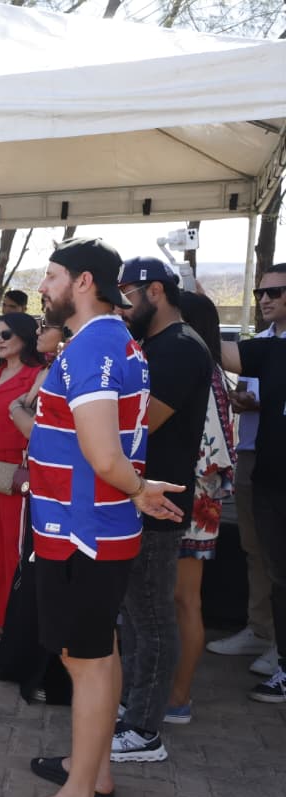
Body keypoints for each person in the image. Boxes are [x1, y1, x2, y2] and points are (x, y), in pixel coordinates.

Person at [0, 237, 183, 797]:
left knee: (88, 661)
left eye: (51, 276)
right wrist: (135, 489)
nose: (42, 287)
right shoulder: (109, 341)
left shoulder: (93, 346)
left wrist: (138, 489)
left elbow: (102, 454)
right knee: (99, 651)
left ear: (81, 282)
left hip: (80, 533)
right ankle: (93, 771)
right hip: (93, 529)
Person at [111, 256, 210, 764]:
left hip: (160, 501)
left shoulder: (180, 347)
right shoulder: (155, 344)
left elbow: (137, 426)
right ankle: (131, 706)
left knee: (150, 618)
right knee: (134, 616)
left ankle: (145, 730)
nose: (121, 307)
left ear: (154, 291)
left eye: (126, 296)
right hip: (138, 495)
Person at [0, 314, 74, 703]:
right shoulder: (51, 370)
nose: (39, 332)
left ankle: (49, 675)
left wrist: (18, 412)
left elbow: (40, 431)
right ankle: (24, 662)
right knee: (30, 575)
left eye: (46, 326)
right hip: (39, 484)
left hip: (59, 490)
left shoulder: (69, 370)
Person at [211, 267, 286, 674]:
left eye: (275, 292)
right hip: (253, 454)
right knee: (256, 549)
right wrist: (244, 400)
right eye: (260, 292)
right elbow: (245, 384)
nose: (265, 299)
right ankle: (261, 630)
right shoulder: (259, 343)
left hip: (277, 462)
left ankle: (279, 644)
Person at [166, 290, 235, 724]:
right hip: (194, 496)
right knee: (179, 601)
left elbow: (209, 453)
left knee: (183, 601)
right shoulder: (209, 371)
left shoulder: (198, 370)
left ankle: (178, 697)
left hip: (191, 498)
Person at [0, 313, 43, 639]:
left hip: (17, 472)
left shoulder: (36, 376)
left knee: (14, 548)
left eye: (6, 334)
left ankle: (17, 620)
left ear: (24, 337)